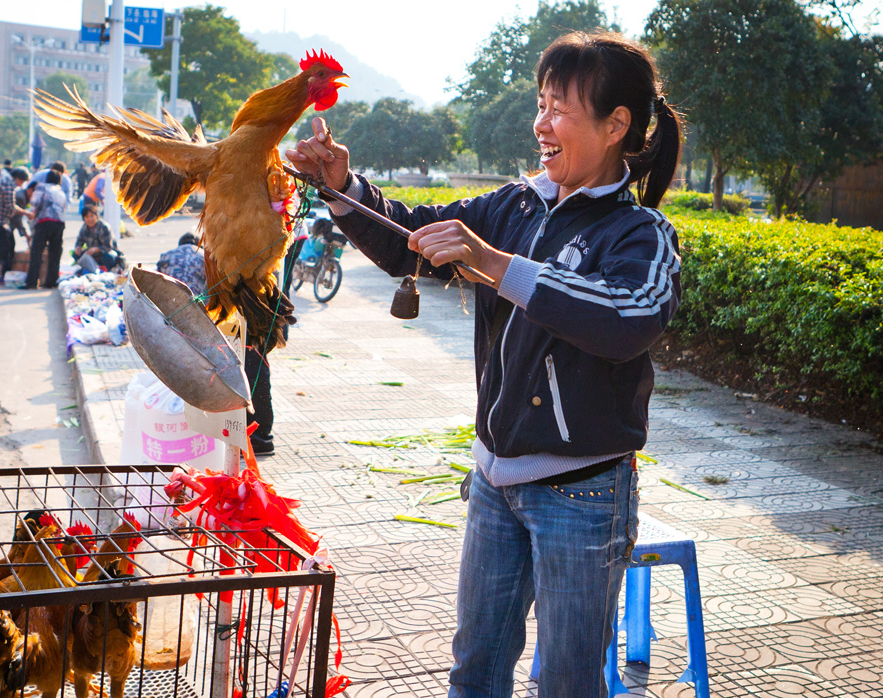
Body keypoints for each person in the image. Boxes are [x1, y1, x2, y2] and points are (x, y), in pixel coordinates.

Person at [287, 30, 682, 697]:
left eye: (560, 107)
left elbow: (627, 319)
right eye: (541, 103)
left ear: (617, 125)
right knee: (476, 668)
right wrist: (343, 186)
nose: (541, 123)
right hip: (494, 486)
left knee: (562, 682)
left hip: (582, 497)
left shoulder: (639, 234)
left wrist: (495, 263)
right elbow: (414, 238)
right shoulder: (513, 205)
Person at [156, 232, 275, 455]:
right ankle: (258, 438)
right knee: (252, 377)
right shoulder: (217, 258)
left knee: (247, 377)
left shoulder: (237, 260)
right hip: (243, 325)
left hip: (241, 324)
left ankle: (255, 439)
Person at [0, 167, 30, 283]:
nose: (20, 185)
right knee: (3, 247)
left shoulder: (2, 179)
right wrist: (26, 212)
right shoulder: (9, 184)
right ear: (17, 178)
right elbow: (10, 206)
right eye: (22, 182)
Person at [22, 170, 68, 290]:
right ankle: (51, 282)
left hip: (44, 222)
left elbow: (35, 203)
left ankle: (32, 282)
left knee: (36, 252)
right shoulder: (61, 191)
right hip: (59, 223)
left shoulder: (41, 187)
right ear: (59, 181)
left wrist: (32, 215)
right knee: (55, 253)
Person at [72, 204, 120, 273]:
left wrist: (96, 249)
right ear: (84, 218)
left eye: (92, 216)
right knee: (76, 254)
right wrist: (78, 248)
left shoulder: (104, 226)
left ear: (96, 216)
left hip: (106, 254)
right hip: (92, 255)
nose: (90, 219)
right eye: (87, 217)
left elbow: (108, 246)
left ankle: (109, 271)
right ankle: (91, 270)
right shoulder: (84, 227)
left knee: (108, 256)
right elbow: (79, 241)